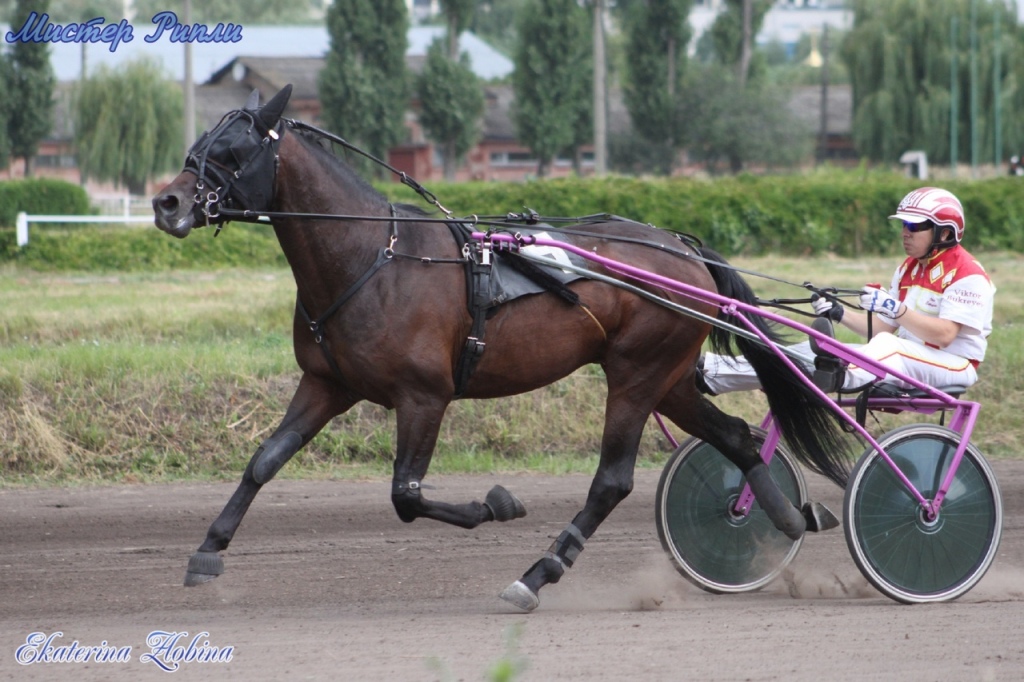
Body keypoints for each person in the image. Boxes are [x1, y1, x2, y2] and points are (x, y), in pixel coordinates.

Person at [697, 187, 995, 395]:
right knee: (806, 351)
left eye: (914, 226)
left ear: (944, 232)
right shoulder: (908, 268)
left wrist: (896, 308)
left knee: (885, 347)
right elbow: (881, 328)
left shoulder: (968, 274)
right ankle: (713, 371)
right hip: (903, 358)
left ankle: (839, 372)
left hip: (953, 366)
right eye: (903, 224)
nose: (905, 231)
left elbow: (944, 335)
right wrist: (839, 313)